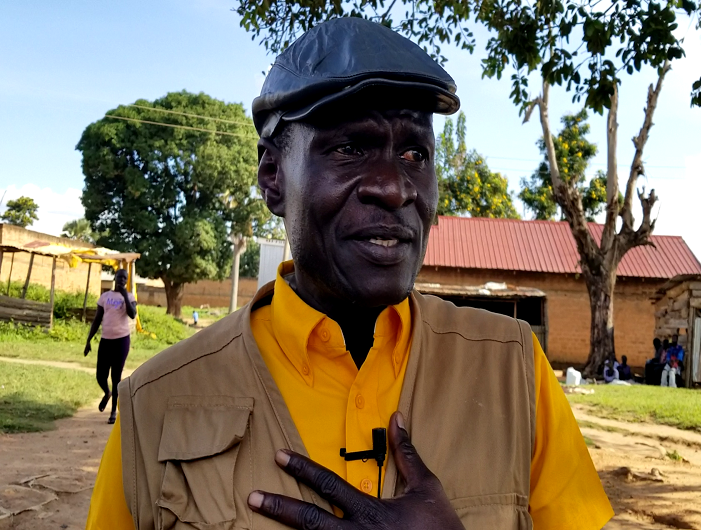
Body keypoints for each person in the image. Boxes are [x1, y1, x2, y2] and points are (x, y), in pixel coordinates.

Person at [85, 18, 613, 530]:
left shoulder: (514, 372)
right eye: (349, 148)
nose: (393, 187)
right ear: (273, 177)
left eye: (415, 153)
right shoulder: (154, 405)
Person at [84, 269, 137, 424]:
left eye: (124, 279)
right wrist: (88, 340)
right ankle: (107, 393)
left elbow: (132, 314)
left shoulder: (130, 297)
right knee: (100, 375)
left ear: (126, 281)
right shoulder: (105, 297)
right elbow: (97, 320)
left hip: (121, 341)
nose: (121, 280)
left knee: (116, 377)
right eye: (119, 277)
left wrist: (125, 296)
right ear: (114, 278)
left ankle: (113, 411)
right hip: (106, 340)